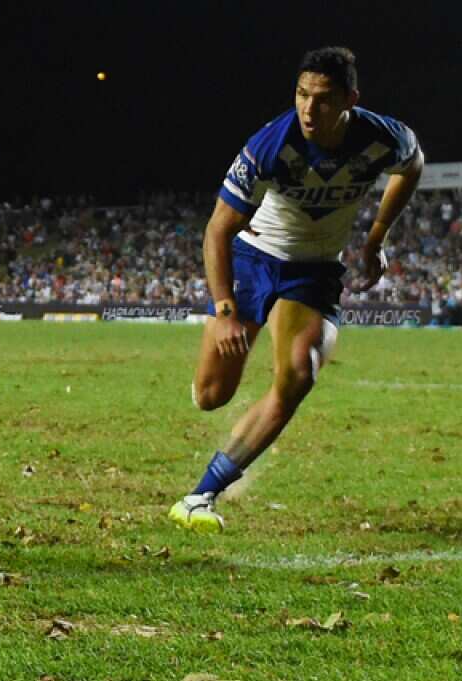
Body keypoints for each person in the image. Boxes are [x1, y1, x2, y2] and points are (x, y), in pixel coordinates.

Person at [168, 47, 423, 532]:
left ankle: (202, 495)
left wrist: (377, 237)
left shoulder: (383, 137)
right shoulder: (271, 144)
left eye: (323, 99)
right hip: (252, 260)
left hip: (315, 272)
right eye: (302, 95)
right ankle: (219, 371)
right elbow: (217, 229)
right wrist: (224, 311)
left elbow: (413, 166)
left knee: (298, 375)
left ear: (350, 99)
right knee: (210, 395)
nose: (309, 109)